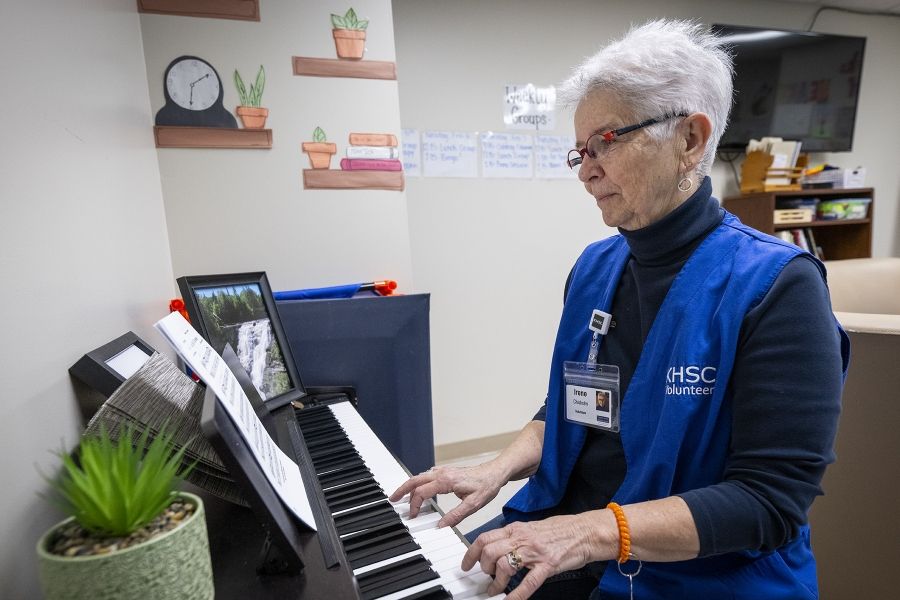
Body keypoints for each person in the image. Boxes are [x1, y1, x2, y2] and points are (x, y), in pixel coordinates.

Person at [390, 19, 848, 600]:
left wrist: (584, 534)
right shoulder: (595, 269)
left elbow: (768, 501)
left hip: (690, 576)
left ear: (690, 138)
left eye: (606, 142)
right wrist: (495, 468)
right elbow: (577, 407)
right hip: (571, 546)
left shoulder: (778, 287)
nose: (585, 171)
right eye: (580, 151)